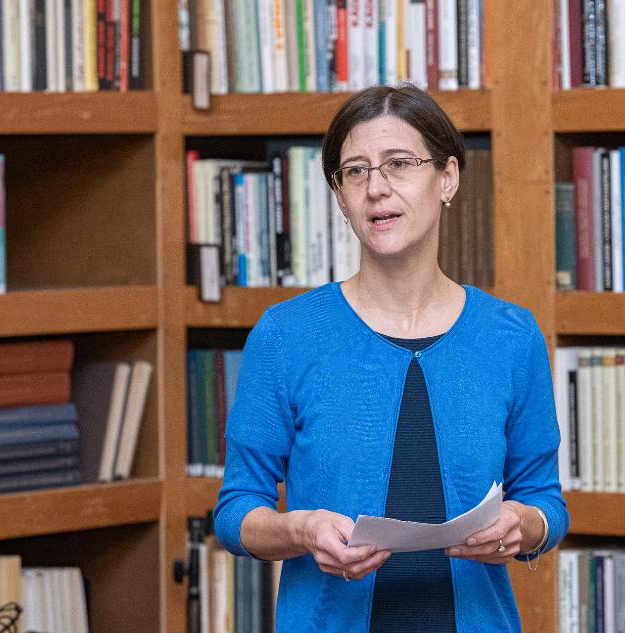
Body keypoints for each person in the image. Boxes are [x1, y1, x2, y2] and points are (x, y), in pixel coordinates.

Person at [213, 84, 569, 633]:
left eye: (399, 164)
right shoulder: (286, 335)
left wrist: (524, 524)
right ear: (340, 197)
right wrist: (302, 530)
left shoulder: (512, 336)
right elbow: (236, 510)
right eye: (355, 172)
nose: (376, 188)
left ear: (447, 178)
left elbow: (546, 502)